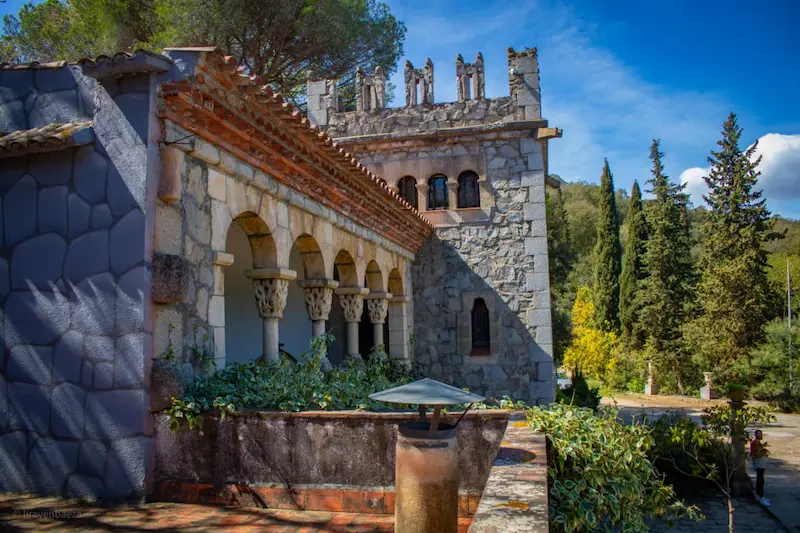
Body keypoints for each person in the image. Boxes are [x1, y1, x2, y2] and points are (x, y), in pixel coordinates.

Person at [750, 429, 770, 506]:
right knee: (760, 480)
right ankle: (761, 497)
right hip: (758, 464)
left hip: (762, 463)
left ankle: (760, 496)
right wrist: (761, 453)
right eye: (758, 434)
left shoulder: (759, 444)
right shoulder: (754, 443)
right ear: (756, 435)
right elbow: (753, 454)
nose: (760, 435)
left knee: (761, 479)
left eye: (761, 434)